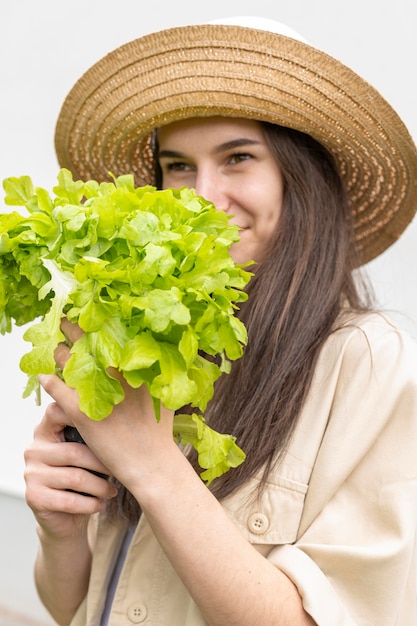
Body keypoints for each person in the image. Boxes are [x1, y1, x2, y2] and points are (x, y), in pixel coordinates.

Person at [23, 16, 417, 626]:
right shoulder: (148, 345)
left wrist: (151, 467)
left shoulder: (369, 360)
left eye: (237, 157)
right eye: (178, 166)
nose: (201, 195)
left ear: (300, 181)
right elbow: (72, 605)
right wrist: (61, 531)